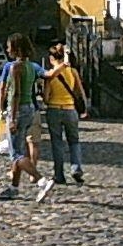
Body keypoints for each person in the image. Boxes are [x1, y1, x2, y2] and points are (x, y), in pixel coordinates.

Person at [0, 33, 53, 203]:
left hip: (18, 110)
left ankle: (42, 180)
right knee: (18, 148)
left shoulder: (15, 68)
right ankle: (14, 188)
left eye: (9, 46)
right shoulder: (30, 66)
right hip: (30, 109)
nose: (7, 50)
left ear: (16, 48)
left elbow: (15, 94)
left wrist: (12, 118)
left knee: (16, 154)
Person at [43, 46, 87, 188]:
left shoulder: (50, 75)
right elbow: (80, 91)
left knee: (57, 143)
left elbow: (46, 98)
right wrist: (84, 109)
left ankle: (59, 175)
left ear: (51, 59)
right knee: (74, 141)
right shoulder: (72, 71)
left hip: (54, 110)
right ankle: (76, 168)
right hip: (70, 110)